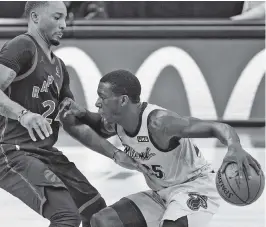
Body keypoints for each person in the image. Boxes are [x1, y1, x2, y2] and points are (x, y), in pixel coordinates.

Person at [60, 69, 262, 227]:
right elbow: (97, 127)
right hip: (161, 194)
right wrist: (82, 114)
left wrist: (234, 146)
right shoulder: (117, 121)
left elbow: (217, 127)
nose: (97, 102)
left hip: (195, 187)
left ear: (123, 100)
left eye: (102, 97)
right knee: (102, 221)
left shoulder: (160, 123)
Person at [0, 2, 139, 227]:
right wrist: (23, 114)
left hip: (45, 153)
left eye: (65, 18)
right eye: (56, 18)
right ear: (35, 17)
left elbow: (73, 125)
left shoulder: (59, 68)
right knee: (66, 217)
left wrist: (116, 155)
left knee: (97, 213)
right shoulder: (22, 46)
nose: (63, 25)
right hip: (11, 151)